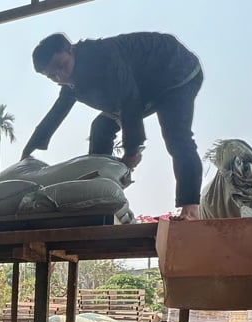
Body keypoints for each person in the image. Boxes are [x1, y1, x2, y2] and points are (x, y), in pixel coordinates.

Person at [22, 32, 204, 220]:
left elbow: (130, 100)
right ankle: (100, 198)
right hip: (143, 86)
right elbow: (56, 114)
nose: (62, 77)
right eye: (53, 76)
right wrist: (28, 152)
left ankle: (190, 210)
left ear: (71, 49)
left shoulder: (104, 56)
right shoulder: (70, 83)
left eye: (62, 66)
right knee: (101, 127)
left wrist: (132, 151)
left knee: (177, 137)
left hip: (176, 71)